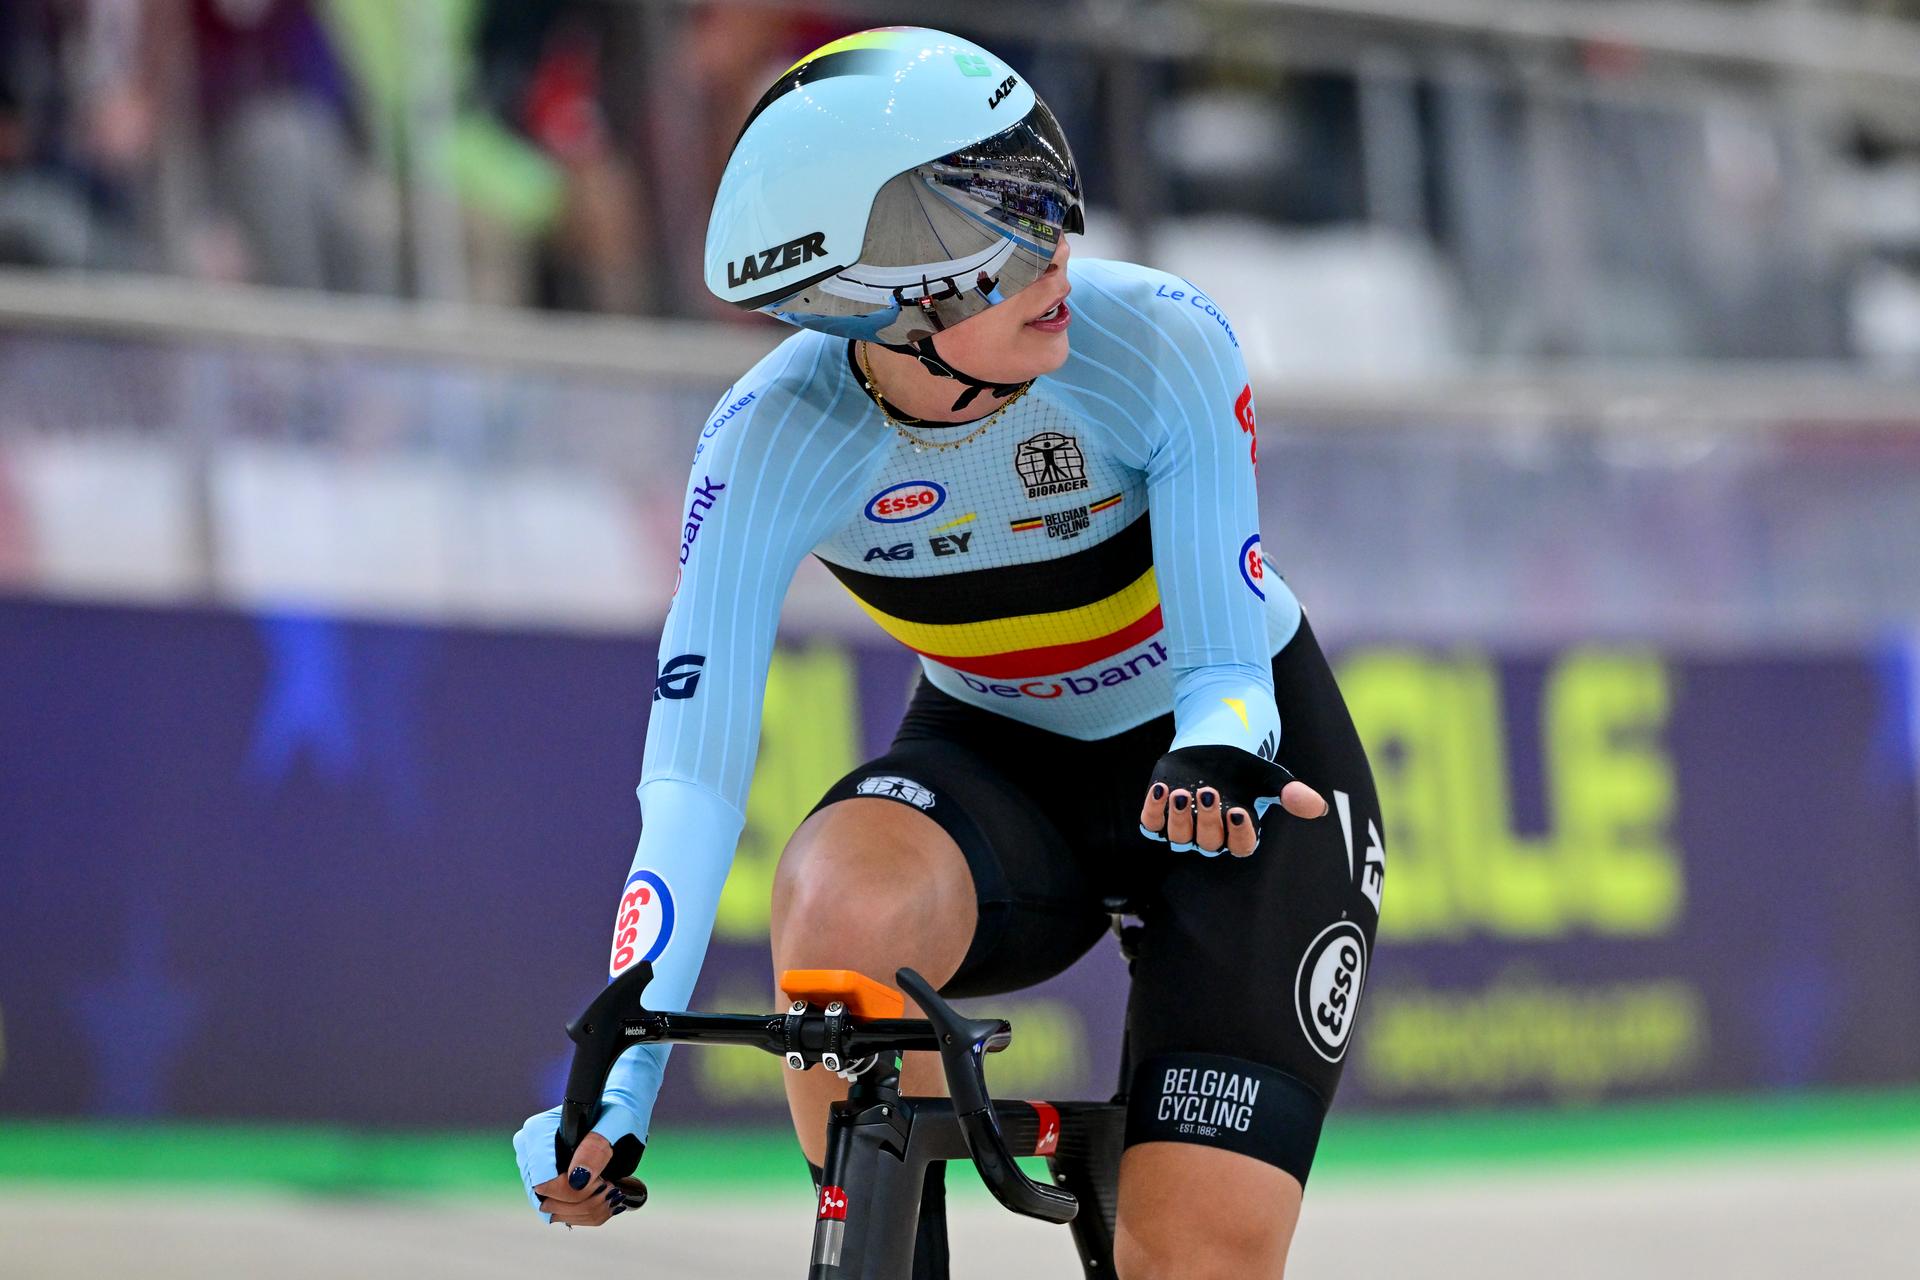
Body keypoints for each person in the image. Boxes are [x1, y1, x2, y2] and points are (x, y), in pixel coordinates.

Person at [514, 27, 1386, 1278]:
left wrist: (1219, 753)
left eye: (1048, 196)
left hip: (1241, 783)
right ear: (878, 288)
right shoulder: (766, 441)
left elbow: (1225, 671)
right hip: (1002, 759)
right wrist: (622, 1065)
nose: (1059, 255)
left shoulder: (1163, 341)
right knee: (833, 890)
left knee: (1191, 1262)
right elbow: (693, 782)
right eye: (1005, 225)